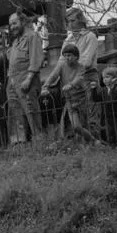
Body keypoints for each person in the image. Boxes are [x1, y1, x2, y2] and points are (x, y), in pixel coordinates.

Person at [58, 8, 101, 139]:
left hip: (88, 76)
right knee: (74, 113)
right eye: (67, 22)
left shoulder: (90, 36)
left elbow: (86, 61)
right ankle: (81, 143)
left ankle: (96, 141)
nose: (70, 24)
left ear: (81, 20)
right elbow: (61, 61)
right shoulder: (68, 40)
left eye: (72, 20)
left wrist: (69, 66)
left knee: (90, 111)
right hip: (71, 79)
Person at [41, 44, 96, 142]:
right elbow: (53, 76)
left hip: (82, 99)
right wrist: (45, 86)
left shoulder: (81, 67)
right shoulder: (61, 65)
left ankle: (86, 145)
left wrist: (71, 85)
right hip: (69, 99)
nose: (67, 58)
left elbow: (79, 78)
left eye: (69, 55)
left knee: (85, 123)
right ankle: (92, 140)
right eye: (65, 55)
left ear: (76, 57)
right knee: (76, 127)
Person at [6, 11, 44, 145]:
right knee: (16, 115)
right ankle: (19, 144)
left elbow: (36, 58)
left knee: (31, 112)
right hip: (13, 84)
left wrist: (29, 78)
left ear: (23, 22)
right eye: (10, 25)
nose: (12, 27)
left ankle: (40, 142)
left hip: (27, 81)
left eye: (15, 23)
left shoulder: (32, 36)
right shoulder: (15, 41)